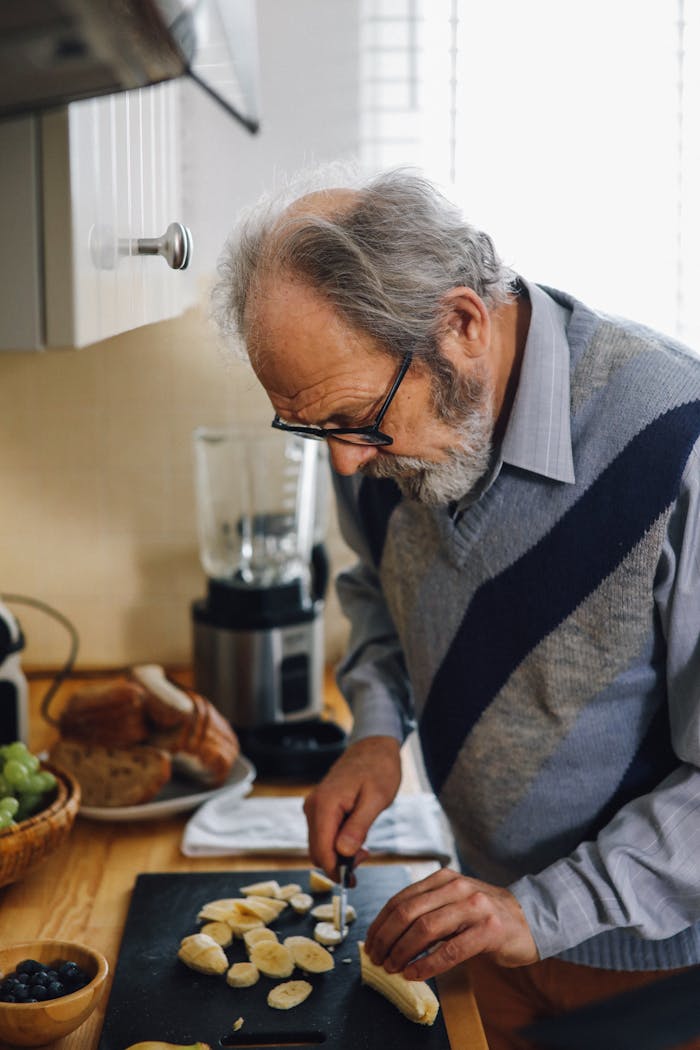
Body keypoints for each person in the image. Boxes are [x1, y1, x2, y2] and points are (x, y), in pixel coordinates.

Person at [213, 168, 700, 1049]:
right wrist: (372, 731)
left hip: (659, 973)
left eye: (354, 422)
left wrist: (545, 908)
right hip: (483, 930)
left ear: (463, 325)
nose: (348, 466)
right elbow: (374, 590)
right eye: (313, 429)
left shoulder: (677, 439)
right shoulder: (368, 432)